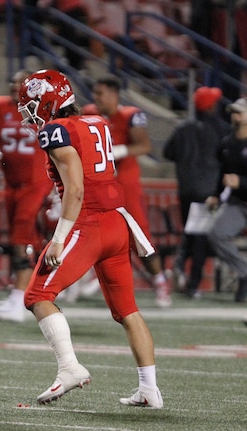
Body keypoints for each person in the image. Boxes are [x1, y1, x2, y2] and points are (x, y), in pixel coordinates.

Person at [18, 69, 163, 408]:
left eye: (32, 105)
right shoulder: (96, 121)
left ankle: (69, 367)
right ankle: (150, 389)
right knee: (128, 310)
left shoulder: (56, 130)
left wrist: (59, 238)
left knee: (38, 294)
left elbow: (76, 189)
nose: (29, 114)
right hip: (116, 221)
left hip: (89, 224)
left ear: (49, 100)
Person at [85, 75, 172, 308]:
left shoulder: (130, 115)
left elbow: (144, 145)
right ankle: (91, 277)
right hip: (101, 184)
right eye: (95, 93)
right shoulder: (90, 113)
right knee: (93, 230)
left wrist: (119, 151)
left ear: (114, 95)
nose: (96, 98)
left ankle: (160, 281)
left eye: (100, 93)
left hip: (125, 185)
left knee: (139, 236)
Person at [0, 69, 52, 323]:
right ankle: (22, 294)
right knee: (20, 238)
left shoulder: (45, 108)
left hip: (36, 182)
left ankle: (19, 298)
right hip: (10, 183)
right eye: (13, 81)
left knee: (22, 237)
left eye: (22, 83)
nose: (15, 86)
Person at [163, 86, 229, 299]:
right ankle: (192, 284)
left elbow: (168, 152)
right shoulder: (221, 129)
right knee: (199, 237)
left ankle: (179, 268)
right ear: (211, 106)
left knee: (190, 233)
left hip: (186, 190)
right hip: (208, 192)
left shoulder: (183, 128)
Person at [206, 97, 247, 303]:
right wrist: (215, 194)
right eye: (233, 112)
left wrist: (241, 181)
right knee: (216, 233)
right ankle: (244, 273)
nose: (235, 116)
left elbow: (235, 178)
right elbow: (223, 172)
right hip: (238, 203)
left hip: (241, 194)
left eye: (240, 112)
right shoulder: (227, 143)